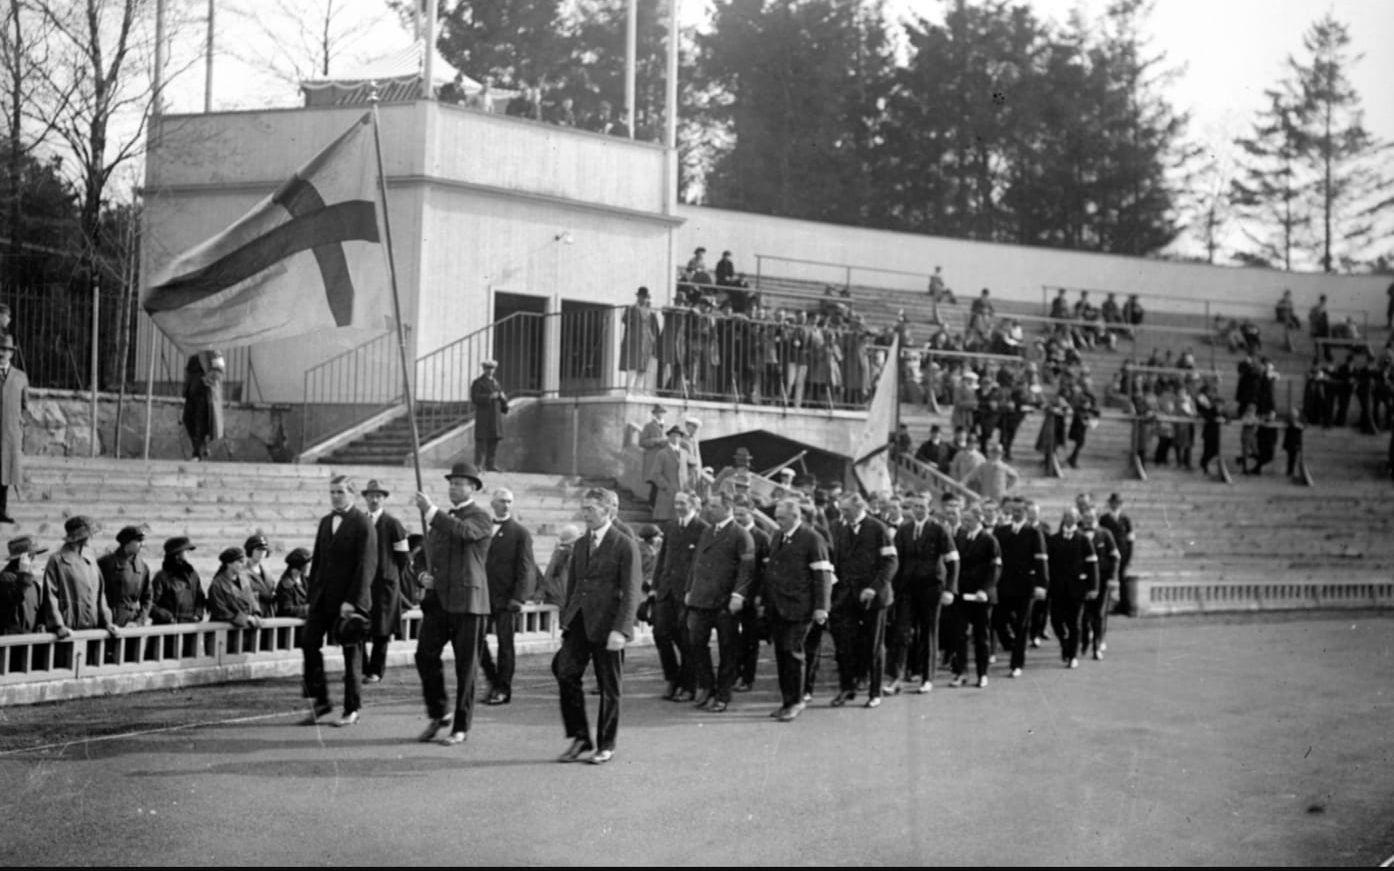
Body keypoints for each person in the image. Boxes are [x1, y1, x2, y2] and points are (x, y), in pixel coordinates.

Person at [553, 487, 644, 765]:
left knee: (609, 686)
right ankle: (580, 737)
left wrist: (622, 630)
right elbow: (574, 586)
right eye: (584, 508)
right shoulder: (580, 544)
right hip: (580, 622)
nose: (585, 513)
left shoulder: (624, 544)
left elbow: (631, 591)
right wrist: (567, 622)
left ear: (608, 511)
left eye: (591, 509)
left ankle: (606, 744)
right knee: (564, 671)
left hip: (609, 625)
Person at [411, 462, 493, 746]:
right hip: (439, 603)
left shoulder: (481, 517)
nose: (454, 487)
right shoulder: (442, 519)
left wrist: (431, 511)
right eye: (452, 483)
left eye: (460, 483)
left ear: (473, 488)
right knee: (424, 655)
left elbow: (465, 533)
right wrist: (422, 575)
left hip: (469, 603)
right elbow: (423, 554)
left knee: (465, 667)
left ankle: (461, 726)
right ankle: (439, 712)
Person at [302, 474, 377, 729]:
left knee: (351, 655)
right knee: (309, 642)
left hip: (349, 601)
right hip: (323, 598)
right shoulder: (325, 522)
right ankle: (321, 700)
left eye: (340, 492)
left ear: (352, 494)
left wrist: (352, 601)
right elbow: (318, 563)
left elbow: (366, 566)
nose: (335, 496)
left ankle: (352, 708)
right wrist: (312, 596)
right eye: (332, 491)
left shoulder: (362, 523)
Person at [761, 498, 832, 722]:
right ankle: (787, 701)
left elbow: (822, 576)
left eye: (781, 518)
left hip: (800, 608)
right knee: (782, 654)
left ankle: (796, 701)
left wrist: (822, 608)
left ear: (795, 516)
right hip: (779, 608)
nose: (777, 521)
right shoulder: (778, 537)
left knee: (793, 653)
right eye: (777, 517)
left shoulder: (812, 538)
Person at [683, 494, 754, 713]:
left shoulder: (740, 535)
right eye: (708, 505)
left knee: (727, 649)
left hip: (724, 602)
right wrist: (689, 589)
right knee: (695, 642)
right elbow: (696, 563)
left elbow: (747, 570)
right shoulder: (707, 531)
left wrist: (738, 595)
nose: (709, 509)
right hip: (701, 599)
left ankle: (723, 694)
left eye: (714, 506)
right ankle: (706, 686)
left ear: (727, 508)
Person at [828, 493, 898, 709]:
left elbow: (890, 562)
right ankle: (847, 688)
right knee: (844, 645)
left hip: (873, 598)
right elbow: (835, 560)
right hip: (847, 596)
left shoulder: (878, 528)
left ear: (859, 508)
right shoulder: (839, 528)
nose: (843, 514)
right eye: (841, 510)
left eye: (846, 510)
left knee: (873, 646)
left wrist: (873, 588)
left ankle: (874, 692)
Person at [885, 493, 958, 695]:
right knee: (901, 632)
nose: (918, 510)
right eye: (915, 506)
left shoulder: (938, 529)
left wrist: (950, 589)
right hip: (907, 589)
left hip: (931, 589)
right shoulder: (904, 530)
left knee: (928, 632)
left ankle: (927, 678)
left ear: (929, 509)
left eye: (922, 506)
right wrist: (893, 587)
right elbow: (896, 561)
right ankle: (895, 677)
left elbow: (953, 561)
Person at [479, 487, 536, 706]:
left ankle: (503, 689)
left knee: (505, 645)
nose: (506, 505)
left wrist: (518, 598)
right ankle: (494, 681)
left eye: (510, 501)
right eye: (502, 501)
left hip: (506, 599)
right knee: (476, 642)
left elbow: (526, 568)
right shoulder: (483, 528)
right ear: (493, 503)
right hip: (482, 597)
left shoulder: (519, 532)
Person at [650, 490, 705, 701]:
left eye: (682, 503)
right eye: (676, 503)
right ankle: (673, 678)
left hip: (686, 593)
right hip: (666, 590)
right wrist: (655, 586)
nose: (678, 507)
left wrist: (693, 591)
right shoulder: (671, 527)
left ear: (693, 504)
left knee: (686, 638)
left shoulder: (702, 529)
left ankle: (689, 686)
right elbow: (662, 558)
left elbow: (700, 565)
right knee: (661, 634)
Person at [992, 498, 1047, 678]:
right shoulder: (1000, 531)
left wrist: (1041, 584)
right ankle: (1012, 644)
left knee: (1022, 624)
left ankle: (1017, 663)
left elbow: (1041, 560)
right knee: (999, 620)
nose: (1015, 514)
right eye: (1013, 511)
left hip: (1025, 586)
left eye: (1019, 511)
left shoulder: (1033, 532)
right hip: (1004, 585)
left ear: (1026, 513)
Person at [361, 479, 409, 684]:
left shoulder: (393, 524)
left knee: (382, 629)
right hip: (363, 585)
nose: (374, 500)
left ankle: (375, 670)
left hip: (385, 585)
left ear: (384, 499)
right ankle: (361, 668)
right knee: (359, 626)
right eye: (370, 496)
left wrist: (389, 572)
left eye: (378, 496)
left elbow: (404, 557)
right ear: (365, 498)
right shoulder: (359, 521)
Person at [43, 516, 119, 639]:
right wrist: (58, 626)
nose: (92, 537)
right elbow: (50, 596)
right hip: (68, 631)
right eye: (90, 534)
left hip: (93, 630)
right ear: (80, 536)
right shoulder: (57, 560)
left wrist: (107, 622)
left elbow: (100, 595)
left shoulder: (90, 558)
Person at [1046, 508, 1098, 669]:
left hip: (1077, 589)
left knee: (1074, 623)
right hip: (1057, 588)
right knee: (1056, 621)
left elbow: (1092, 564)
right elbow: (1047, 565)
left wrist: (1093, 587)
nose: (1069, 519)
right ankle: (1064, 643)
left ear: (1077, 519)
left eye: (1073, 517)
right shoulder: (1053, 539)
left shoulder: (1083, 539)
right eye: (1066, 516)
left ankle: (1072, 655)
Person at [729, 494, 769, 692]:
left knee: (750, 639)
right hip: (732, 594)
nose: (738, 518)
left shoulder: (761, 537)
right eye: (735, 514)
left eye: (742, 514)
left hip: (752, 596)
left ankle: (747, 677)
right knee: (731, 637)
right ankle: (734, 673)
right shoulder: (731, 534)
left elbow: (765, 571)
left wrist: (760, 596)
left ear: (751, 513)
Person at [1078, 508, 1120, 661]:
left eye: (1091, 517)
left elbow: (1115, 557)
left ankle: (1097, 645)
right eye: (1085, 517)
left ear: (1096, 517)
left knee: (1098, 613)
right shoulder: (1078, 533)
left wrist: (1112, 577)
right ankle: (1084, 640)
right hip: (1082, 580)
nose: (1088, 520)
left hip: (1101, 580)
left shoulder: (1105, 533)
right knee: (1082, 613)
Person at [97, 525, 152, 628]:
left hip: (132, 622)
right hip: (109, 621)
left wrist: (139, 621)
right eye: (139, 541)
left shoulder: (142, 567)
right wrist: (106, 622)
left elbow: (148, 598)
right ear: (127, 542)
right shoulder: (106, 563)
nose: (142, 544)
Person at [0, 334, 28, 523]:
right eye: (0, 349)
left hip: (10, 433)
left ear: (11, 353)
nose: (3, 353)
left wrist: (19, 425)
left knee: (5, 472)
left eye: (7, 350)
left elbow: (25, 406)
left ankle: (1, 510)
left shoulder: (20, 376)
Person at [0, 535, 51, 634]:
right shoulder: (4, 579)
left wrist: (41, 624)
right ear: (24, 558)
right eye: (32, 555)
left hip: (30, 642)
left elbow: (38, 611)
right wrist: (23, 573)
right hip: (11, 643)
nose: (34, 558)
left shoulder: (33, 584)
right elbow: (9, 607)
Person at [150, 537, 205, 624]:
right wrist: (168, 617)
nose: (188, 554)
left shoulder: (193, 575)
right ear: (177, 554)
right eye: (186, 551)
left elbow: (200, 599)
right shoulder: (161, 577)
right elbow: (150, 604)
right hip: (167, 630)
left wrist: (198, 615)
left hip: (189, 629)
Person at [181, 349, 224, 461]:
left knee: (200, 422)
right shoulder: (194, 350)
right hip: (191, 391)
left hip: (204, 391)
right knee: (187, 419)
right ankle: (202, 446)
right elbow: (188, 371)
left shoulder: (213, 350)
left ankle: (196, 454)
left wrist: (208, 379)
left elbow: (219, 368)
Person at [1099, 493, 1135, 615]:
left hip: (1123, 554)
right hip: (1109, 554)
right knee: (1107, 580)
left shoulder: (1125, 519)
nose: (1115, 505)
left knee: (1122, 580)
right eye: (1113, 503)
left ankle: (1125, 606)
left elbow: (1130, 539)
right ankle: (1105, 606)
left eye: (1118, 503)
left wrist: (1128, 556)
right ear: (1110, 504)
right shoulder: (1104, 519)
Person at [208, 547, 262, 628]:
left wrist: (256, 614)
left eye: (243, 562)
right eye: (240, 562)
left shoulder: (244, 579)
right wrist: (245, 619)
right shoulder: (217, 584)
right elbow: (220, 610)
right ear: (229, 563)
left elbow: (252, 599)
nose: (243, 565)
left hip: (246, 630)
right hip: (225, 632)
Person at [620, 287, 660, 395]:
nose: (643, 299)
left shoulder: (650, 312)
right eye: (641, 297)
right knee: (633, 366)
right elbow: (624, 320)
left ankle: (637, 392)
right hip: (634, 341)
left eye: (645, 297)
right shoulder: (632, 309)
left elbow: (654, 327)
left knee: (643, 368)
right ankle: (628, 391)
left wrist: (653, 340)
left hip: (646, 343)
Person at [470, 360, 509, 472]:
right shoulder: (478, 382)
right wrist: (489, 396)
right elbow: (475, 398)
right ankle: (478, 465)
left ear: (494, 370)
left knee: (494, 441)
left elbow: (501, 398)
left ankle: (490, 465)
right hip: (484, 416)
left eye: (492, 368)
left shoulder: (496, 383)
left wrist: (503, 400)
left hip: (495, 416)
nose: (490, 370)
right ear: (484, 369)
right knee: (481, 441)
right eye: (487, 368)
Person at [647, 425, 685, 522]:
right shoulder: (662, 453)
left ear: (681, 438)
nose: (675, 438)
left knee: (681, 522)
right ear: (669, 437)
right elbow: (655, 474)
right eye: (673, 435)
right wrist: (667, 487)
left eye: (678, 436)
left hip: (682, 494)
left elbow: (687, 473)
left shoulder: (684, 453)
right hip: (667, 494)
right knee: (666, 522)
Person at [537, 524, 579, 608]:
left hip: (553, 599)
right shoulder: (570, 555)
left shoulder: (557, 553)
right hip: (563, 600)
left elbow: (547, 576)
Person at [637, 404, 668, 509]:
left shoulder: (667, 427)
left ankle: (658, 505)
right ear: (654, 414)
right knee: (655, 481)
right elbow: (641, 442)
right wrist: (655, 440)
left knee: (662, 482)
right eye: (658, 412)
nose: (660, 415)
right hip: (653, 458)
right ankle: (652, 504)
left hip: (664, 459)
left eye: (662, 412)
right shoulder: (648, 426)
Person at [241, 534, 276, 619]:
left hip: (268, 617)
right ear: (250, 550)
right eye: (258, 549)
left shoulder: (268, 574)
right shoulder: (242, 573)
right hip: (253, 618)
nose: (261, 553)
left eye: (264, 550)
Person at [276, 548, 312, 618]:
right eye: (307, 564)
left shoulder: (306, 581)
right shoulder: (286, 585)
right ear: (299, 565)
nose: (309, 566)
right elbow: (287, 609)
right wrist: (310, 609)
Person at [1284, 411, 1306, 479]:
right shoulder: (1289, 423)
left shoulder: (1299, 423)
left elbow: (1302, 427)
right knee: (1291, 458)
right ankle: (1290, 471)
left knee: (1295, 458)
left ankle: (1293, 472)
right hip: (1290, 443)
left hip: (1296, 443)